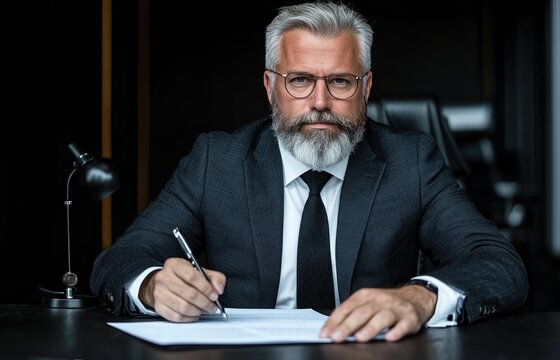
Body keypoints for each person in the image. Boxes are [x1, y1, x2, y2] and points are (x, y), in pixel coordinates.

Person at [90, 1, 528, 343]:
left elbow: (499, 265)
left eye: (340, 81)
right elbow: (119, 261)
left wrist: (420, 298)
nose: (320, 101)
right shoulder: (216, 161)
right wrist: (152, 287)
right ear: (270, 87)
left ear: (366, 88)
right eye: (299, 80)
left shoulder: (410, 162)